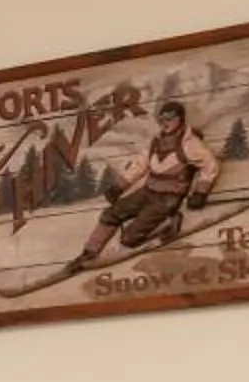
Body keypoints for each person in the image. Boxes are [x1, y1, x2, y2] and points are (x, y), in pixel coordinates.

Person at [72, 99, 220, 265]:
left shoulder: (190, 144)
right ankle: (89, 252)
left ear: (180, 119)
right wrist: (119, 186)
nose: (165, 123)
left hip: (168, 197)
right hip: (148, 190)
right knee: (111, 214)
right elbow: (140, 165)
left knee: (130, 237)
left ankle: (168, 222)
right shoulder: (156, 142)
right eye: (162, 119)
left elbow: (210, 165)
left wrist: (200, 192)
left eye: (170, 118)